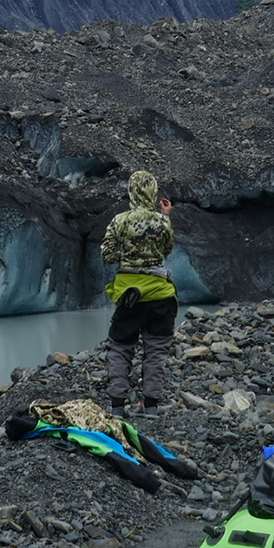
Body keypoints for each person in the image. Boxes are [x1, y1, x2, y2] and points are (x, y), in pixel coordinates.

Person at [101, 169, 177, 414]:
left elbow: (107, 256)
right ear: (153, 193)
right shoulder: (161, 222)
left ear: (131, 192)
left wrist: (129, 254)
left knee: (121, 348)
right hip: (161, 295)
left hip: (129, 296)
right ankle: (151, 406)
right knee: (156, 350)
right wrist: (165, 217)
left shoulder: (120, 220)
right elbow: (166, 250)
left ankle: (117, 406)